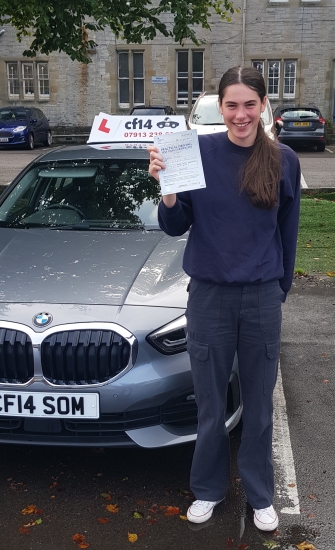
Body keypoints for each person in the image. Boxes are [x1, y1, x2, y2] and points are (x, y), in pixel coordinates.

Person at [148, 66, 300, 531]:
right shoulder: (195, 152)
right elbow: (175, 226)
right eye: (231, 105)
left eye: (249, 104)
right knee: (211, 406)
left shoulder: (283, 159)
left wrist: (279, 289)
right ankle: (209, 490)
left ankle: (260, 495)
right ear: (220, 106)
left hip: (259, 299)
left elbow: (287, 233)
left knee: (257, 405)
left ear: (263, 106)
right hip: (209, 298)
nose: (240, 115)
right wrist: (167, 191)